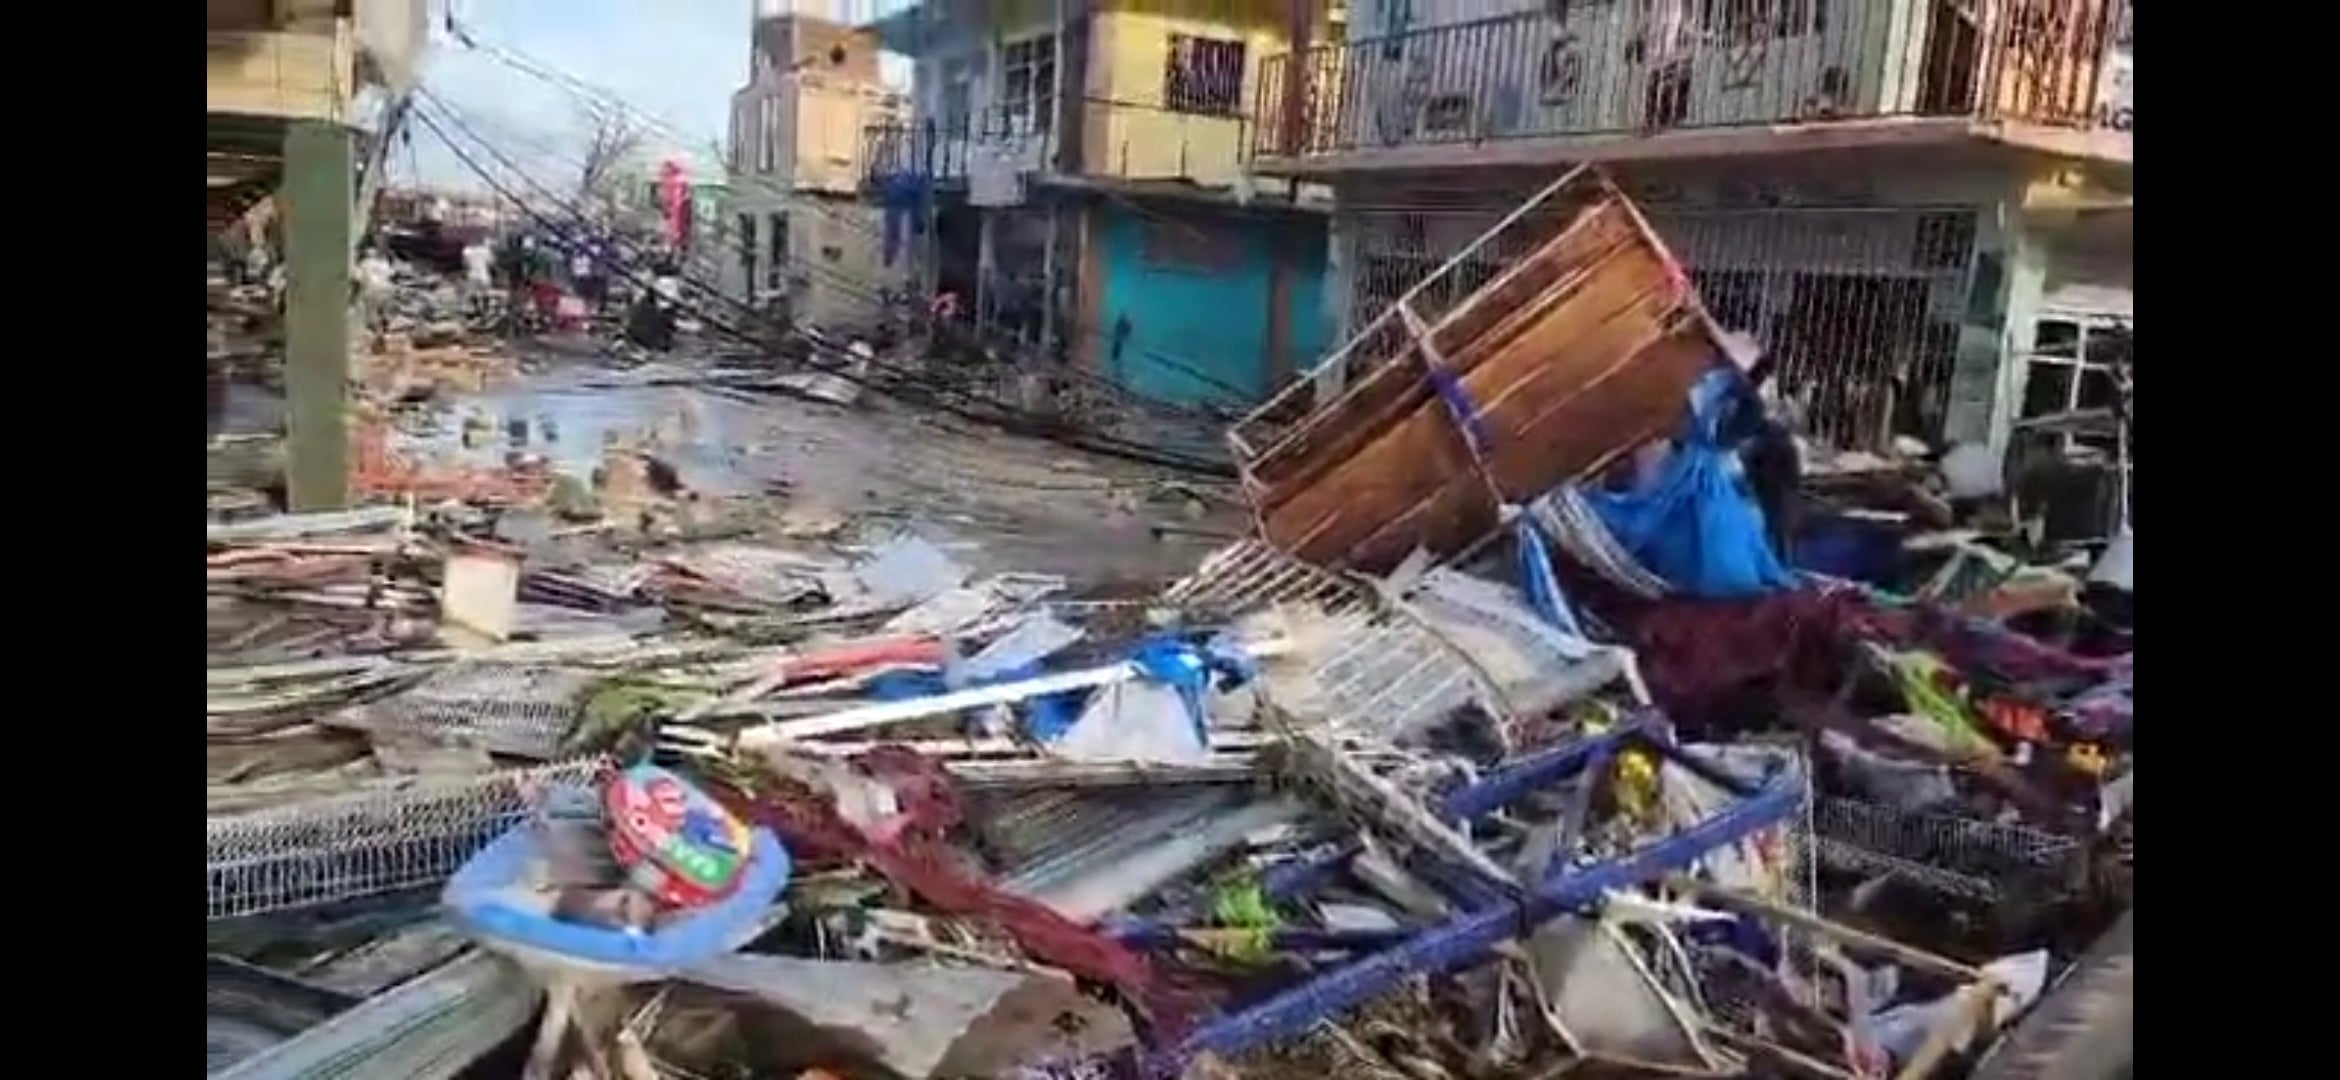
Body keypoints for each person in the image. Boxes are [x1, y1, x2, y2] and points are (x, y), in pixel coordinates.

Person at [356, 247, 397, 337]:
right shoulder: (384, 263)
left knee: (372, 313)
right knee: (385, 311)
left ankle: (377, 333)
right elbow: (392, 274)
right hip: (386, 289)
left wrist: (355, 295)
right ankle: (385, 329)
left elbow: (358, 279)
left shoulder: (363, 264)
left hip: (371, 290)